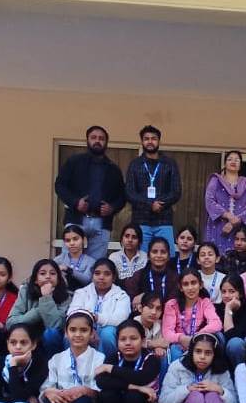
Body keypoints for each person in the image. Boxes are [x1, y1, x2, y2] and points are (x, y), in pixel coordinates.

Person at [54, 125, 126, 259]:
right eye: (93, 138)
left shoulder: (113, 169)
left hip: (102, 222)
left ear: (106, 142)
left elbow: (122, 196)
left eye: (101, 139)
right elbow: (60, 186)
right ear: (87, 140)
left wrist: (112, 208)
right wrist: (75, 202)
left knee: (97, 264)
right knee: (69, 261)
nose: (97, 141)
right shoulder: (74, 162)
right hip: (76, 218)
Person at [125, 125, 182, 255]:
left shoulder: (169, 163)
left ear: (159, 141)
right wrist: (150, 204)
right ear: (142, 141)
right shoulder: (135, 164)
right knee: (142, 258)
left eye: (153, 138)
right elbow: (129, 192)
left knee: (167, 256)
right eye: (146, 139)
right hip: (141, 220)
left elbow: (176, 190)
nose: (150, 142)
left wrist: (160, 203)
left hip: (164, 220)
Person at [6, 259, 71, 357]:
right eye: (42, 273)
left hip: (52, 343)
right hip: (27, 338)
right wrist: (39, 310)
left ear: (58, 279)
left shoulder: (66, 297)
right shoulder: (25, 291)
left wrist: (46, 298)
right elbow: (11, 323)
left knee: (51, 333)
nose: (48, 276)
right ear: (35, 279)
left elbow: (55, 325)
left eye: (53, 273)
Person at [68, 258, 131, 358]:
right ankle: (72, 363)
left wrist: (97, 317)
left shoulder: (121, 296)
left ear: (114, 277)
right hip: (83, 329)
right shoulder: (82, 292)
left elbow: (120, 318)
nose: (101, 277)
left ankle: (107, 363)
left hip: (107, 333)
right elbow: (72, 313)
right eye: (97, 273)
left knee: (107, 333)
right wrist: (89, 330)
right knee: (70, 334)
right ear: (92, 276)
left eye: (107, 274)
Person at [162, 268, 222, 363]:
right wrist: (181, 338)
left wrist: (197, 336)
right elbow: (167, 333)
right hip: (179, 345)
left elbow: (216, 323)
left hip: (199, 343)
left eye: (193, 283)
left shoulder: (205, 302)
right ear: (181, 288)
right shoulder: (172, 305)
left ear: (200, 285)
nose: (190, 288)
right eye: (186, 284)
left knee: (219, 336)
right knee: (174, 350)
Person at [204, 150, 246, 255]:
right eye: (230, 159)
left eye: (237, 160)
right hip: (218, 225)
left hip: (238, 229)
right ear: (225, 163)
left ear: (240, 165)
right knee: (215, 255)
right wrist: (227, 215)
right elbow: (209, 201)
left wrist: (233, 223)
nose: (233, 162)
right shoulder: (216, 181)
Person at [123, 237, 179, 309]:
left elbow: (174, 303)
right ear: (148, 256)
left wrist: (144, 296)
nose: (159, 255)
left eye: (163, 252)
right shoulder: (139, 275)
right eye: (155, 252)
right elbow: (130, 301)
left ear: (168, 256)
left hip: (168, 314)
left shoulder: (175, 277)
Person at [217, 275, 246, 369]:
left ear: (240, 293)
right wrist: (228, 309)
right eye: (224, 292)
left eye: (232, 291)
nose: (227, 295)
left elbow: (232, 337)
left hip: (238, 356)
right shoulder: (215, 309)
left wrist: (228, 309)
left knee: (235, 343)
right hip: (219, 357)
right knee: (217, 336)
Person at [54, 225, 95, 292]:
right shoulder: (58, 260)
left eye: (75, 239)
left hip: (84, 295)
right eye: (68, 240)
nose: (72, 243)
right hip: (62, 295)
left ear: (84, 240)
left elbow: (87, 281)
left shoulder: (91, 261)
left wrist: (68, 270)